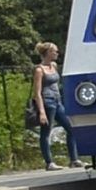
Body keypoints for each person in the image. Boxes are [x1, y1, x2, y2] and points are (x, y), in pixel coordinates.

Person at [29, 40, 67, 168]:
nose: (57, 53)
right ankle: (49, 162)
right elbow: (37, 92)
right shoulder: (39, 70)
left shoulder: (54, 66)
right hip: (47, 102)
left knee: (70, 127)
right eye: (54, 51)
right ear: (48, 53)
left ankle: (74, 159)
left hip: (58, 101)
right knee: (46, 132)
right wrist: (42, 112)